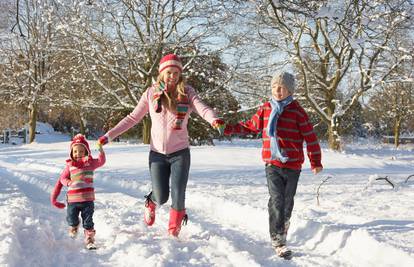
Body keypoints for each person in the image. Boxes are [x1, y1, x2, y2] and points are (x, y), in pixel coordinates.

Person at [98, 54, 225, 237]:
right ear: (161, 73)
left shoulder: (187, 93)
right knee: (162, 196)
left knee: (179, 193)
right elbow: (133, 118)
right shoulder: (151, 93)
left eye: (175, 72)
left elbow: (202, 108)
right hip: (157, 153)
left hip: (180, 152)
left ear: (180, 74)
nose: (172, 76)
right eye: (168, 72)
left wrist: (214, 120)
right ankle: (151, 202)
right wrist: (108, 136)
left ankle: (173, 232)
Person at [224, 71, 323, 258]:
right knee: (277, 199)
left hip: (293, 165)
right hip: (272, 163)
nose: (278, 90)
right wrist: (228, 128)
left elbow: (310, 138)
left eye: (282, 87)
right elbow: (249, 126)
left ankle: (282, 222)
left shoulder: (297, 112)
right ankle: (278, 240)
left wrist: (315, 161)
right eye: (275, 87)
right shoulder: (266, 108)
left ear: (290, 90)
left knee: (286, 201)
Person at [54, 134, 106, 249]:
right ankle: (74, 225)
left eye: (81, 151)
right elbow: (62, 178)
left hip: (87, 199)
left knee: (88, 220)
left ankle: (89, 238)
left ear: (86, 152)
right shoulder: (70, 166)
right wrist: (68, 182)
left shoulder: (90, 163)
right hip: (73, 199)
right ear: (72, 153)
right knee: (71, 217)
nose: (78, 154)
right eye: (75, 151)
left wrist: (101, 150)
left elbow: (101, 161)